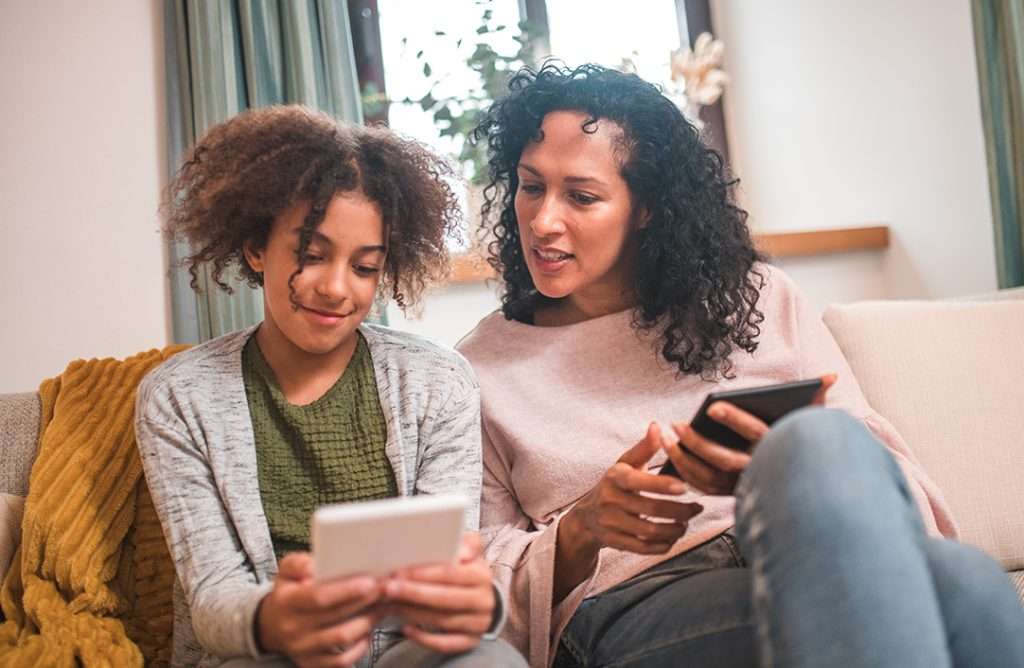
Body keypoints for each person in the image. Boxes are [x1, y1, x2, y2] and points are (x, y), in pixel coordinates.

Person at [457, 63, 1024, 667]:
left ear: (645, 207)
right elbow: (478, 585)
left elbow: (892, 482)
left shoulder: (757, 298)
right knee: (964, 592)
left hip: (811, 542)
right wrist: (583, 528)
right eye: (530, 185)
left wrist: (780, 469)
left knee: (839, 458)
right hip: (642, 597)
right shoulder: (482, 366)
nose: (543, 221)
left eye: (582, 196)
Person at [135, 105, 526, 668]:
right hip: (265, 655)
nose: (337, 289)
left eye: (365, 267)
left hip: (405, 653)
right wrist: (278, 620)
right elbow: (215, 599)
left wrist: (480, 607)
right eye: (311, 255)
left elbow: (456, 573)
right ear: (255, 247)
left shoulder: (437, 383)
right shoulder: (178, 396)